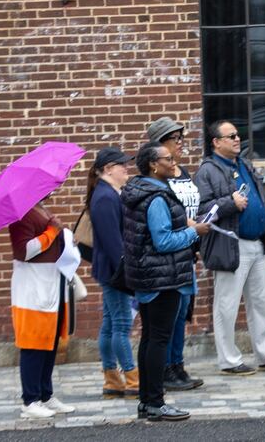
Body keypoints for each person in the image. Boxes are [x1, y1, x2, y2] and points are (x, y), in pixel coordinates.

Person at [122, 142, 212, 422]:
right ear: (152, 164)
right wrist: (193, 232)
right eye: (167, 158)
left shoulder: (141, 192)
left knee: (150, 338)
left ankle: (147, 402)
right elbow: (162, 242)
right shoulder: (157, 197)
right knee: (158, 340)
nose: (173, 162)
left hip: (149, 276)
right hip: (162, 277)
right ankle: (156, 402)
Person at [195, 120, 265, 375]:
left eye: (238, 135)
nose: (237, 139)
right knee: (227, 304)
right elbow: (202, 210)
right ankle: (229, 360)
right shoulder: (207, 171)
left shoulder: (243, 164)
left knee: (263, 302)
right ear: (216, 142)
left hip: (258, 245)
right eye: (231, 136)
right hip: (231, 245)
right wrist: (229, 203)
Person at [145, 116, 203, 393]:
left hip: (187, 251)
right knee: (170, 314)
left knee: (182, 313)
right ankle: (167, 368)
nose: (181, 143)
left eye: (181, 137)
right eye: (174, 139)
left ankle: (178, 365)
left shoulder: (184, 173)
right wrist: (190, 228)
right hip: (171, 252)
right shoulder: (158, 180)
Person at [9, 196, 79, 420]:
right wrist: (52, 232)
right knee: (33, 344)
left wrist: (63, 239)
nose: (53, 188)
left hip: (50, 284)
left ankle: (45, 394)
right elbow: (24, 251)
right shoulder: (22, 215)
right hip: (33, 289)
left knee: (50, 341)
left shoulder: (39, 208)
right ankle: (30, 400)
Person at [85, 146, 137, 398]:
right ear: (107, 169)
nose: (126, 169)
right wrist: (126, 272)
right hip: (115, 271)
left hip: (110, 270)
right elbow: (112, 241)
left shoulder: (108, 193)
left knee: (109, 325)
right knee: (121, 325)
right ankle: (131, 379)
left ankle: (112, 380)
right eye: (122, 165)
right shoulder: (105, 197)